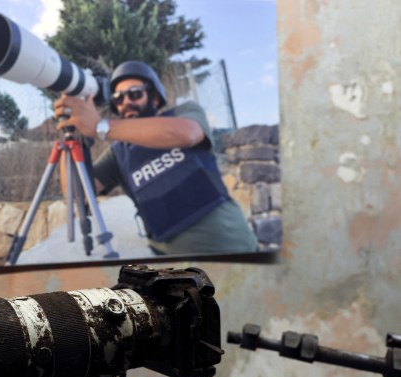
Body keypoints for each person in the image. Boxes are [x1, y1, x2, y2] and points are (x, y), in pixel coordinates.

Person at [53, 60, 258, 255]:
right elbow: (75, 192)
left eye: (134, 94)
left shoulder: (184, 112)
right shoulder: (118, 153)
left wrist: (100, 127)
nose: (126, 103)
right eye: (119, 98)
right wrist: (72, 136)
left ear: (155, 97)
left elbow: (188, 134)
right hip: (168, 266)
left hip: (230, 249)